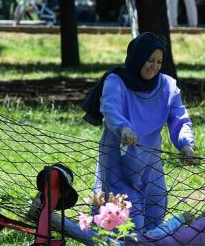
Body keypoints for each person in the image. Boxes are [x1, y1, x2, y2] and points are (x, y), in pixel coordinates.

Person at [81, 32, 195, 234]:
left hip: (149, 161)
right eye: (150, 60)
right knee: (126, 214)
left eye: (159, 61)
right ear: (138, 57)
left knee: (155, 206)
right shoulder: (116, 81)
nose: (154, 66)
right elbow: (110, 108)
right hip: (117, 160)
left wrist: (185, 144)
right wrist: (123, 128)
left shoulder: (168, 86)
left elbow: (179, 117)